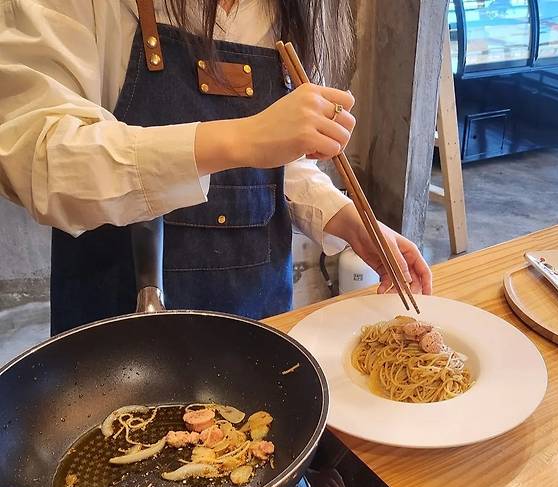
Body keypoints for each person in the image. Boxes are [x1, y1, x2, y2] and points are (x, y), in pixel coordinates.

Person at [0, 0, 432, 335]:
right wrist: (242, 137)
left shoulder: (290, 12)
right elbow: (37, 158)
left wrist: (348, 220)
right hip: (114, 341)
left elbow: (278, 161)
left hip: (258, 324)